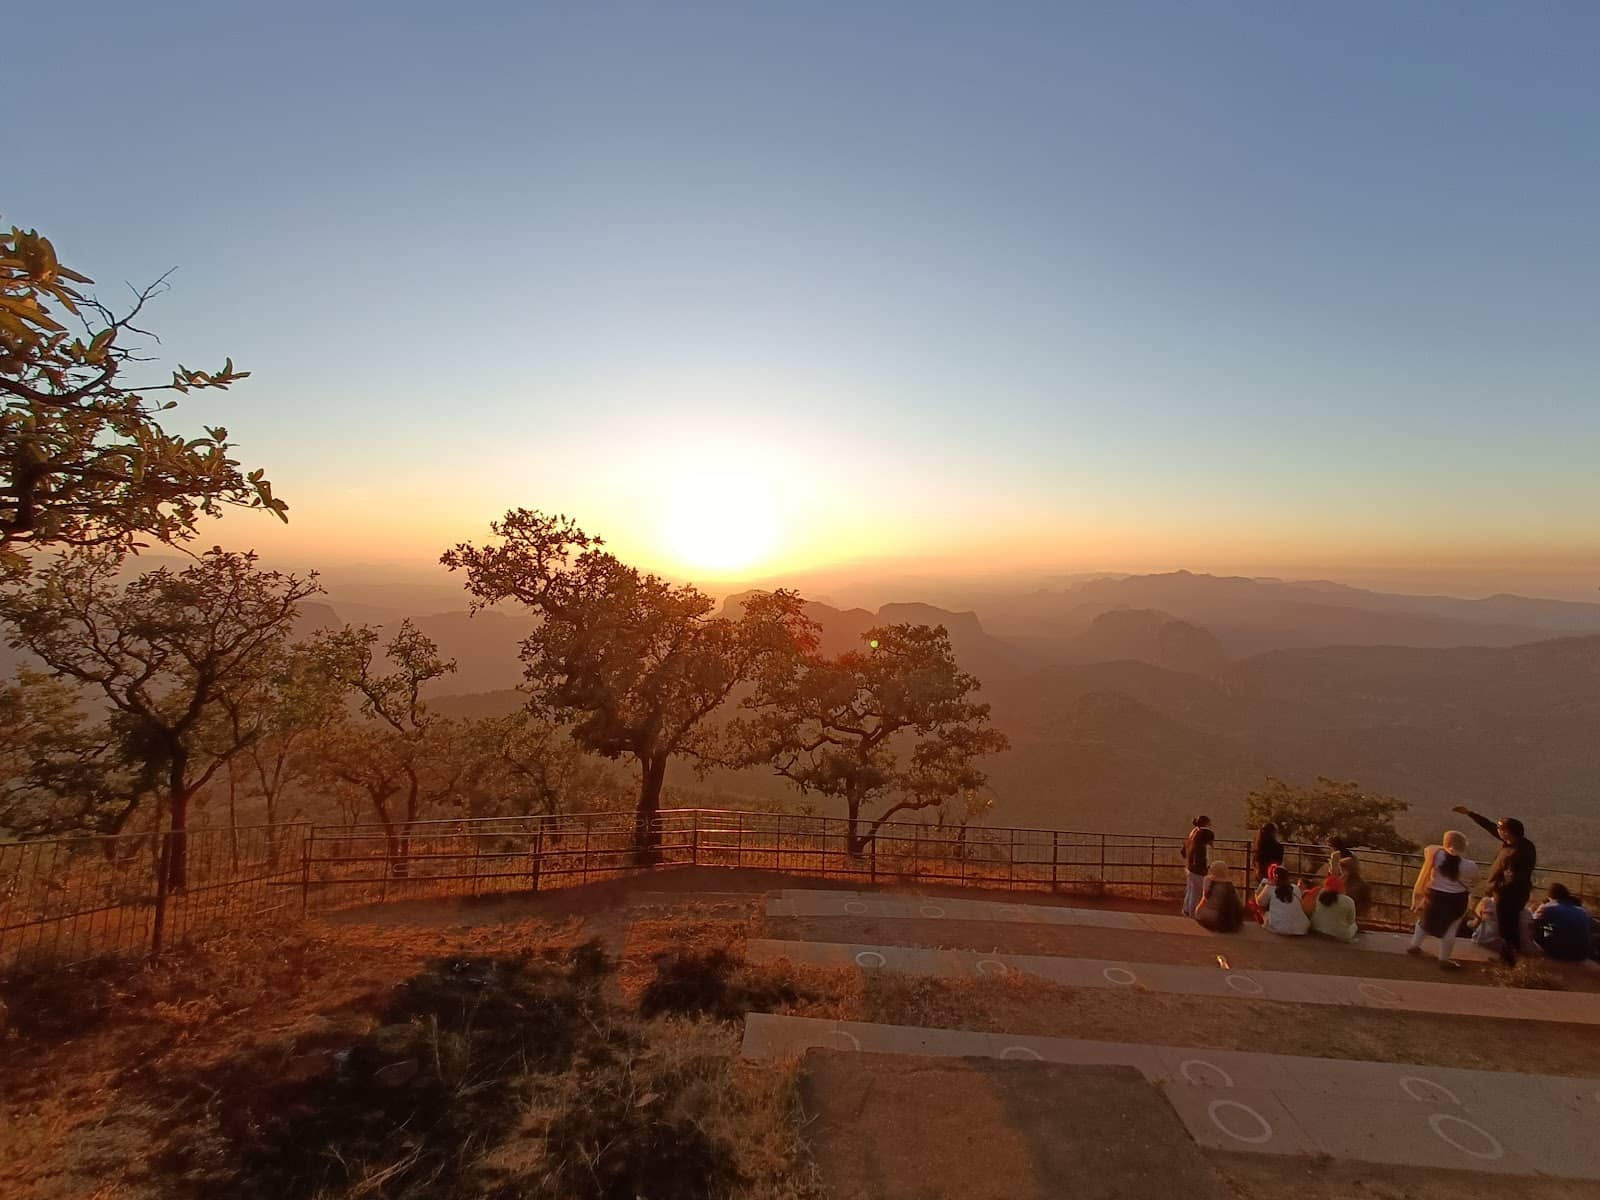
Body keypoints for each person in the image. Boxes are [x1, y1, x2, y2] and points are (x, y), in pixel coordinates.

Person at [1453, 806, 1537, 965]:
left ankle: (1509, 961)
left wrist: (1496, 888)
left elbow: (1514, 878)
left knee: (1507, 927)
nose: (1497, 830)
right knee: (1507, 925)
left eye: (1500, 828)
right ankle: (1510, 958)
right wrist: (1470, 814)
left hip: (1509, 895)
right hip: (1511, 892)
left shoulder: (1517, 852)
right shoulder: (1518, 843)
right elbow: (1491, 827)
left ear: (1507, 832)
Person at [1407, 830, 1477, 970]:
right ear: (1463, 846)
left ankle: (1415, 945)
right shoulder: (1470, 865)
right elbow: (1476, 880)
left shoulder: (1436, 855)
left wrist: (1444, 847)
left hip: (1434, 895)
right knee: (1451, 927)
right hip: (1457, 899)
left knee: (1424, 920)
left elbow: (1429, 848)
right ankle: (1444, 959)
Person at [1532, 883, 1593, 963]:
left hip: (1560, 954)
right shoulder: (1582, 911)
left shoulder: (1548, 909)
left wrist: (1538, 908)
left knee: (1542, 927)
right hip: (1582, 954)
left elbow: (1532, 921)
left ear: (1550, 896)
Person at [1256, 864, 1309, 936]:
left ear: (1275, 876)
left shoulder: (1270, 887)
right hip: (1299, 928)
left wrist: (1261, 886)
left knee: (1260, 907)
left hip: (1278, 927)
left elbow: (1259, 902)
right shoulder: (1296, 888)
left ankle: (1264, 919)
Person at [1194, 859, 1244, 933]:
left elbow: (1203, 900)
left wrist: (1197, 909)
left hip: (1213, 915)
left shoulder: (1207, 881)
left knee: (1199, 913)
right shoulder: (1230, 885)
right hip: (1226, 915)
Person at [1181, 815, 1215, 917]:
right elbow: (1211, 844)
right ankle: (1193, 914)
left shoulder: (1193, 833)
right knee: (1197, 892)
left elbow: (1183, 851)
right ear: (1207, 823)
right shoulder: (1206, 833)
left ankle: (1186, 910)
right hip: (1199, 867)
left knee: (1190, 890)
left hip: (1190, 865)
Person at [1310, 876, 1359, 942]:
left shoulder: (1319, 895)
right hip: (1339, 934)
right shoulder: (1348, 901)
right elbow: (1351, 920)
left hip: (1317, 928)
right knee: (1354, 925)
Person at [1338, 855, 1373, 920]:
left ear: (1347, 869)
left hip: (1354, 913)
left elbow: (1350, 899)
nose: (1341, 872)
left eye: (1342, 870)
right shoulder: (1345, 879)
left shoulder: (1355, 884)